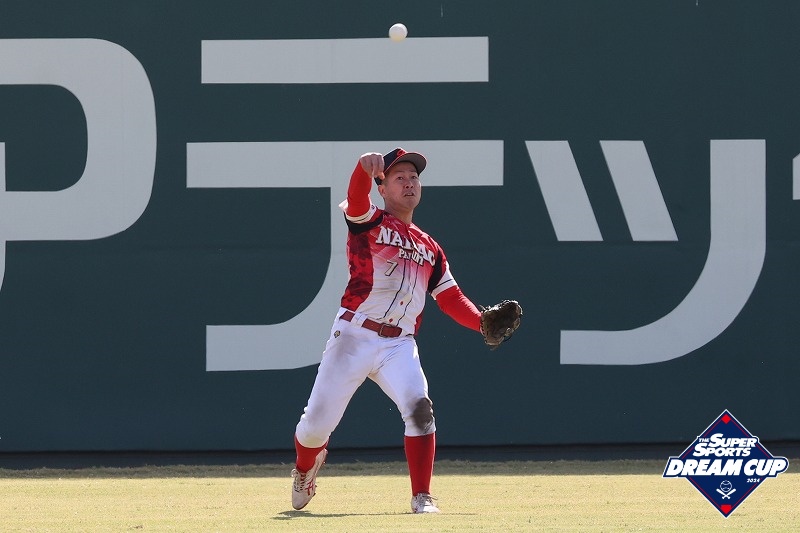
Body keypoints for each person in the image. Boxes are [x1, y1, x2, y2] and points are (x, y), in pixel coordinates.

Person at [291, 148, 489, 514]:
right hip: (354, 334)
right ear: (382, 189)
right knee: (315, 427)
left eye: (414, 177)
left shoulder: (431, 247)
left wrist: (480, 321)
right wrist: (361, 167)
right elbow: (355, 199)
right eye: (399, 177)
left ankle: (422, 496)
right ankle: (305, 468)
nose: (409, 182)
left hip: (399, 344)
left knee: (420, 410)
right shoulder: (370, 221)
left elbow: (450, 298)